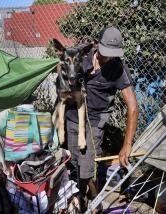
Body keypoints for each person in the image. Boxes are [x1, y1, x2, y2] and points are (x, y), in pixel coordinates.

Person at [65, 26, 139, 212]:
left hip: (96, 120)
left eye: (112, 54)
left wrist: (127, 145)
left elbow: (133, 106)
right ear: (97, 44)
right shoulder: (81, 55)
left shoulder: (118, 68)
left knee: (88, 165)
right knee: (73, 163)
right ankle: (82, 199)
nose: (107, 58)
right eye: (105, 53)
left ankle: (93, 203)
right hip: (74, 116)